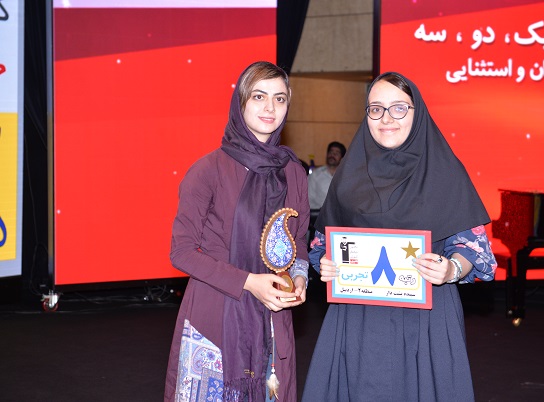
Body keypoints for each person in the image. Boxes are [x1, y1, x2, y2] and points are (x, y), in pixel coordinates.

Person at [301, 72, 497, 402]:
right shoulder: (349, 174)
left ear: (417, 112)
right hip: (360, 316)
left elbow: (474, 251)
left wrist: (451, 269)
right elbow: (322, 246)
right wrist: (326, 265)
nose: (386, 118)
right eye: (376, 109)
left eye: (399, 108)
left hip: (427, 317)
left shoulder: (446, 172)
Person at [164, 61, 310, 402]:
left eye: (279, 98)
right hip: (216, 316)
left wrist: (299, 277)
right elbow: (182, 252)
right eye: (259, 96)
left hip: (273, 318)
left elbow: (298, 239)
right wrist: (249, 282)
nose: (270, 107)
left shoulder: (293, 172)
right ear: (241, 101)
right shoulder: (208, 170)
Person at [307, 141, 346, 210]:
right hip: (319, 213)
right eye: (331, 152)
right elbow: (308, 199)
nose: (332, 155)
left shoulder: (346, 176)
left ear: (342, 158)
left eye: (336, 153)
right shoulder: (315, 175)